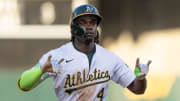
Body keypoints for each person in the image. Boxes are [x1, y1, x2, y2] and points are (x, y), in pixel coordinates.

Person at [17, 4, 152, 101]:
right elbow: (23, 84)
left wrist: (140, 78)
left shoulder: (109, 58)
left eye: (93, 22)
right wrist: (41, 69)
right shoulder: (56, 56)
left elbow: (137, 89)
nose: (89, 26)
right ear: (73, 28)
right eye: (83, 22)